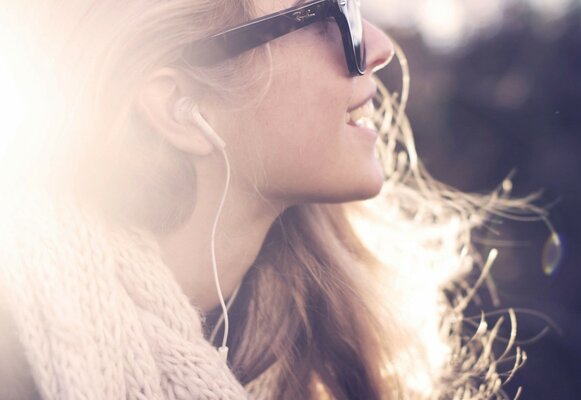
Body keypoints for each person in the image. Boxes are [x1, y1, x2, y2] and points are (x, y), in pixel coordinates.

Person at [0, 0, 537, 399]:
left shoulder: (328, 347)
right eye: (331, 15)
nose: (378, 48)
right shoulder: (19, 357)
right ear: (179, 107)